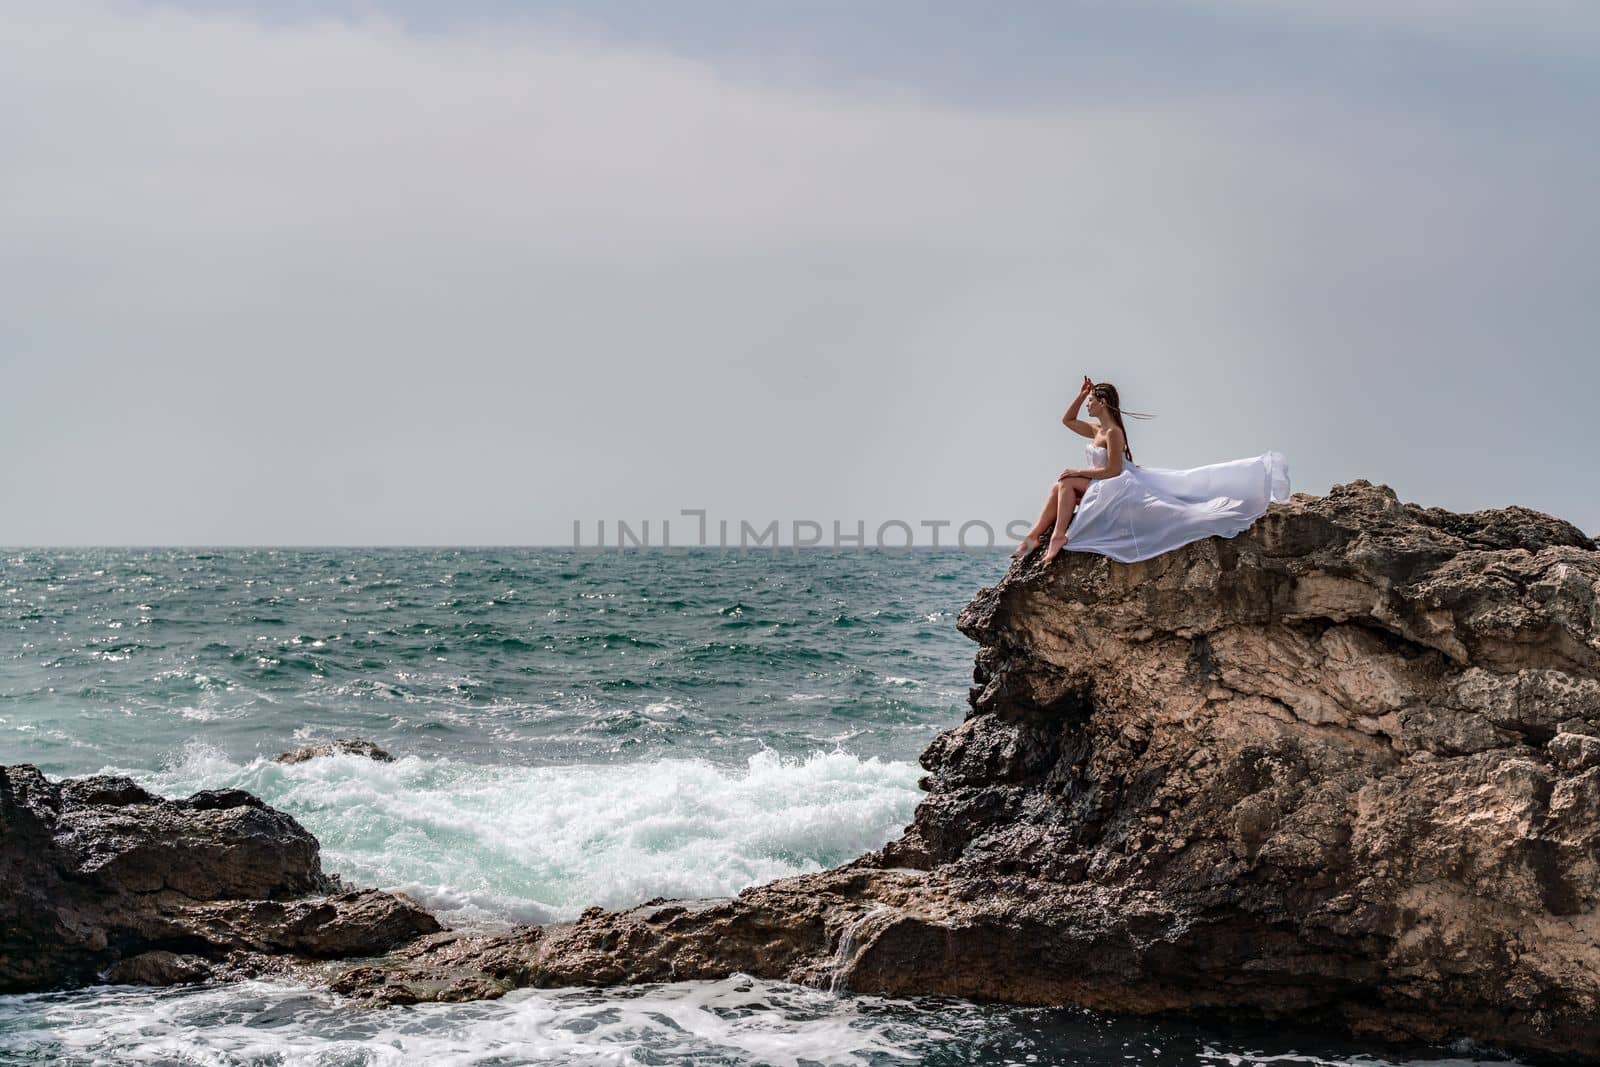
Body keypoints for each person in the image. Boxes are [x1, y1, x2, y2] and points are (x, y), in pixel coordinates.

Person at [1012, 377, 1290, 564]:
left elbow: (1112, 470)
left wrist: (1078, 472)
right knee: (1058, 486)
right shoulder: (1095, 429)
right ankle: (1036, 535)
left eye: (1091, 401)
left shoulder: (1113, 433)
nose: (1088, 405)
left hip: (1114, 485)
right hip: (1100, 485)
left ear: (1103, 403)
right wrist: (1081, 393)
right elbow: (1067, 419)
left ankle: (1058, 535)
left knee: (1066, 483)